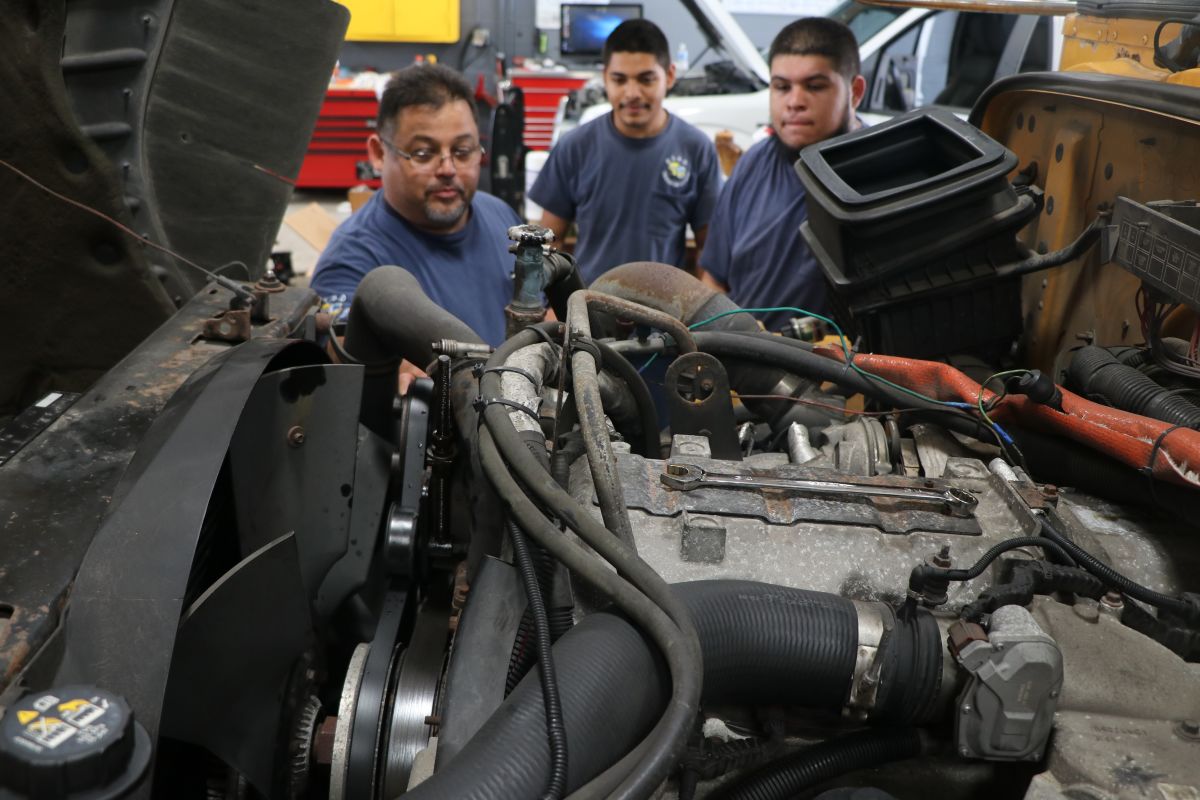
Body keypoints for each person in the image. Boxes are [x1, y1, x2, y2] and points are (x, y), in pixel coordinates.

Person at [310, 64, 521, 346]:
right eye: (423, 153)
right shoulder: (351, 261)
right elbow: (342, 356)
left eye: (462, 151)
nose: (448, 169)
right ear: (378, 154)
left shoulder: (502, 217)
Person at [697, 18, 865, 333]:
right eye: (782, 86)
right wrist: (732, 334)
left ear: (854, 92)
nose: (795, 102)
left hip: (840, 375)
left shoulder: (884, 174)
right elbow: (714, 280)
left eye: (815, 86)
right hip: (746, 369)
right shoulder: (752, 165)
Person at [529, 19, 721, 283]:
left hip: (664, 317)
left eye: (646, 79)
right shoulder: (575, 147)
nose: (632, 93)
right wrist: (555, 307)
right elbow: (550, 241)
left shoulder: (697, 149)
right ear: (605, 77)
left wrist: (701, 318)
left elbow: (709, 253)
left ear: (670, 75)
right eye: (619, 80)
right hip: (588, 314)